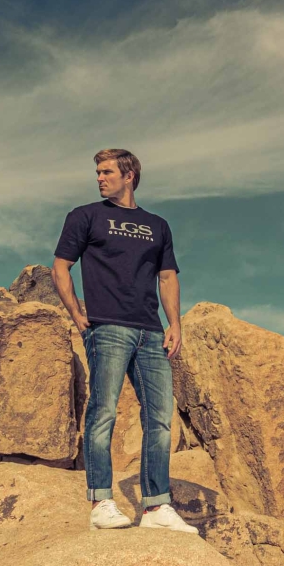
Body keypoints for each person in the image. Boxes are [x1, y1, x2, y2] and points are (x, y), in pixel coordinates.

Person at [52, 148, 197, 534]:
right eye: (97, 172)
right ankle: (101, 501)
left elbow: (167, 277)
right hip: (107, 328)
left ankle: (155, 508)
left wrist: (175, 324)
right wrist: (76, 313)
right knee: (103, 414)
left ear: (129, 175)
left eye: (107, 172)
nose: (100, 178)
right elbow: (61, 267)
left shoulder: (157, 225)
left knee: (160, 421)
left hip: (150, 332)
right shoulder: (85, 216)